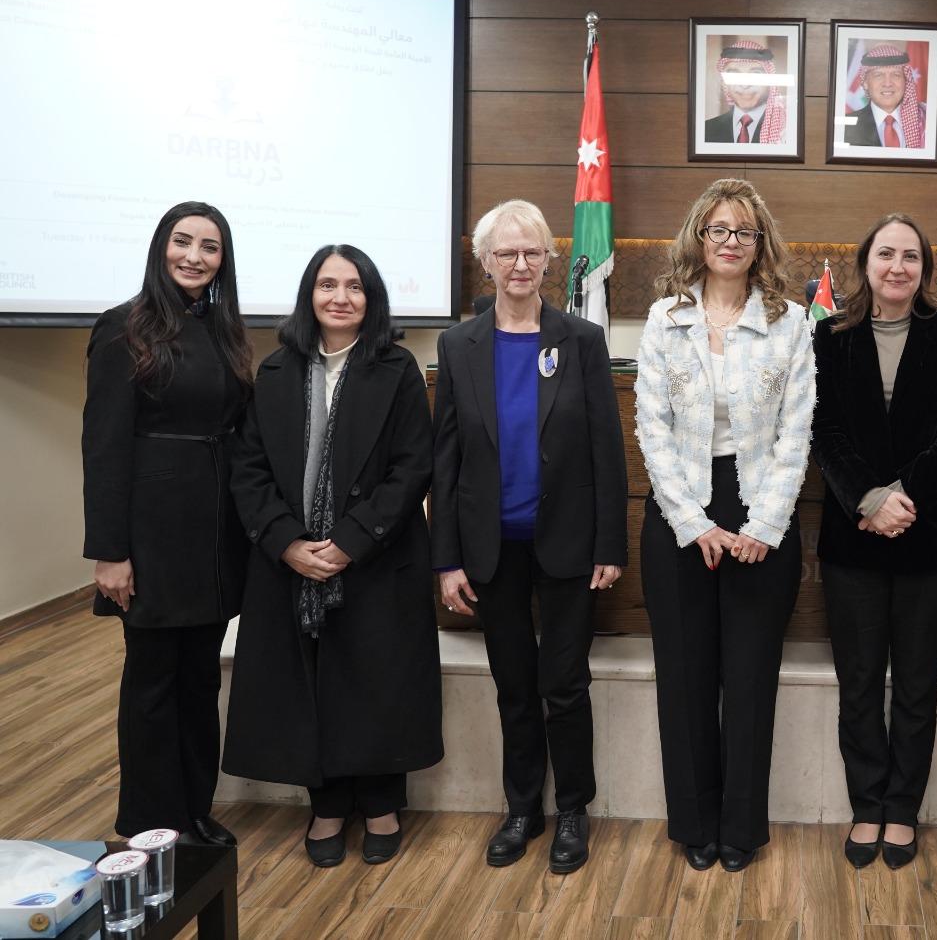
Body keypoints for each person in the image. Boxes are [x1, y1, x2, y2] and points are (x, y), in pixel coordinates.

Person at [223, 245, 440, 867]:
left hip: (375, 556)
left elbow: (412, 467)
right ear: (308, 295)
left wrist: (350, 541)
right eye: (327, 285)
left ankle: (381, 804)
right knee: (309, 683)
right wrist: (287, 542)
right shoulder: (274, 371)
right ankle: (327, 806)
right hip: (291, 561)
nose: (340, 297)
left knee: (375, 682)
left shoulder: (397, 369)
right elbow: (249, 469)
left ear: (372, 299)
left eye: (354, 286)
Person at [431, 200, 628, 872]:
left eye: (532, 252)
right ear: (485, 262)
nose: (520, 264)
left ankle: (572, 809)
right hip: (491, 550)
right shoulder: (458, 345)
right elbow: (447, 459)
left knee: (565, 685)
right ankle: (522, 809)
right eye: (506, 253)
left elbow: (606, 450)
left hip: (569, 544)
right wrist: (447, 559)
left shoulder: (582, 340)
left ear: (549, 260)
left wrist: (609, 545)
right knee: (513, 685)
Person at [635, 178, 815, 873]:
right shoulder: (665, 319)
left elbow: (796, 433)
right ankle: (695, 825)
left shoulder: (789, 323)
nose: (730, 242)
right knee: (684, 681)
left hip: (761, 512)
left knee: (748, 681)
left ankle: (740, 827)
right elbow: (651, 431)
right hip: (680, 512)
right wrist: (693, 523)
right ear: (699, 238)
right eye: (718, 230)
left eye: (744, 231)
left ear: (760, 242)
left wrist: (763, 524)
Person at [812, 213, 937, 870]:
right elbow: (823, 428)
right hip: (853, 537)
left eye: (910, 256)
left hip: (931, 538)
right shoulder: (831, 336)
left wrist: (903, 495)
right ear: (866, 263)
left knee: (916, 686)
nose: (897, 267)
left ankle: (902, 808)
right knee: (859, 683)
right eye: (886, 254)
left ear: (924, 268)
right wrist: (869, 498)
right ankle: (867, 805)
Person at [81, 200, 254, 845]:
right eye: (183, 242)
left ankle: (193, 810)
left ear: (222, 261)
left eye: (210, 247)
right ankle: (149, 824)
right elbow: (103, 446)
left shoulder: (225, 330)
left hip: (213, 534)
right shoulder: (122, 327)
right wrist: (109, 551)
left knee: (200, 678)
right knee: (152, 683)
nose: (194, 257)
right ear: (161, 248)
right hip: (150, 537)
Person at [842, 43, 927, 150]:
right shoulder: (846, 126)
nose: (888, 83)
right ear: (865, 83)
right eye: (878, 75)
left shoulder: (925, 122)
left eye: (896, 75)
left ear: (906, 80)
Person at [703, 40, 787, 145]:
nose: (745, 85)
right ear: (724, 82)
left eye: (755, 74)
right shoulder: (706, 129)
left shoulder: (785, 130)